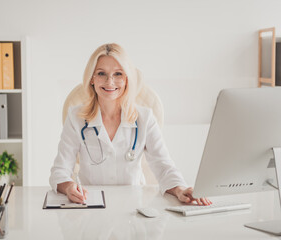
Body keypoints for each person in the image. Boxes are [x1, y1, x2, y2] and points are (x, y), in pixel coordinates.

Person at [49, 43, 211, 206]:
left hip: (133, 208)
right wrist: (69, 187)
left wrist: (180, 189)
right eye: (101, 73)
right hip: (92, 206)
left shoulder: (145, 118)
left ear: (127, 79)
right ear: (92, 78)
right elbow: (59, 171)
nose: (109, 81)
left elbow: (164, 167)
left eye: (118, 74)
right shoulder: (76, 117)